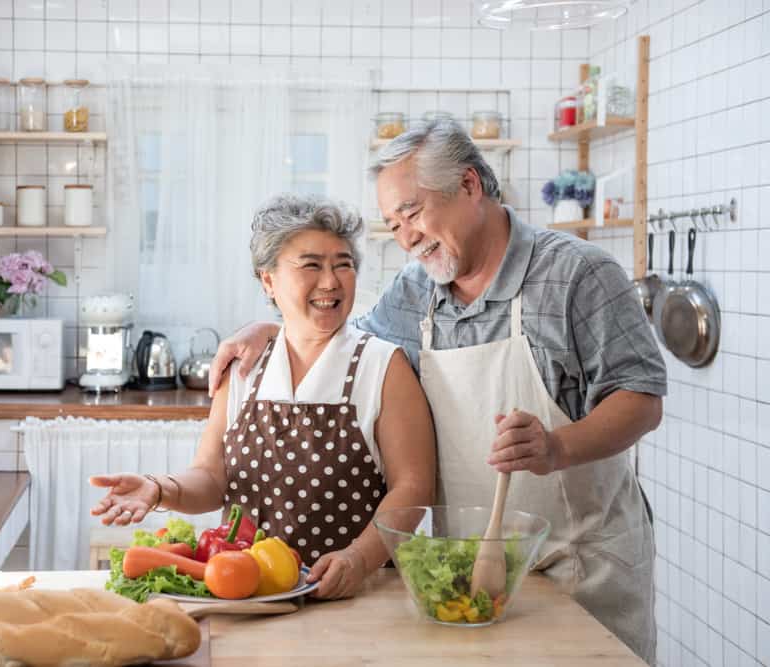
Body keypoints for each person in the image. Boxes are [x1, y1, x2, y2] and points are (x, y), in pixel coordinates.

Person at [207, 121, 665, 664]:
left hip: (580, 565)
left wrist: (557, 448)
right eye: (393, 224)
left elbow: (641, 397)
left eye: (413, 213)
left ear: (469, 186)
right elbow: (341, 338)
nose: (405, 238)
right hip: (467, 571)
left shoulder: (578, 273)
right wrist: (272, 329)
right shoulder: (416, 289)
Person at [90, 193, 436, 600]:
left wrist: (357, 559)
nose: (331, 281)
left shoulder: (381, 365)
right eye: (311, 265)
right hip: (249, 594)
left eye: (343, 264)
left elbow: (414, 487)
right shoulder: (245, 367)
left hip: (356, 594)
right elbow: (211, 478)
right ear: (268, 280)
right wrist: (159, 487)